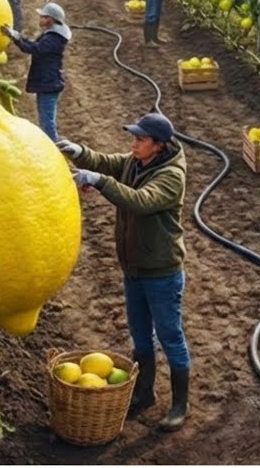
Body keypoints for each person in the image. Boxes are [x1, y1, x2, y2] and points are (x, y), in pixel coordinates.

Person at [57, 113, 191, 432]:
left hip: (161, 271)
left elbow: (140, 201)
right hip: (133, 268)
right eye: (133, 137)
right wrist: (79, 152)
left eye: (140, 139)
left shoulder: (171, 175)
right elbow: (109, 161)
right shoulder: (135, 161)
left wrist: (99, 181)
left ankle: (179, 405)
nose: (133, 143)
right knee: (140, 334)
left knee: (170, 336)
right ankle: (144, 393)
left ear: (158, 146)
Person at [0, 3, 70, 141]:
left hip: (49, 83)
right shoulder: (53, 35)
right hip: (47, 82)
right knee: (46, 119)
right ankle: (53, 142)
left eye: (43, 17)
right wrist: (17, 36)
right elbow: (34, 45)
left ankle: (54, 148)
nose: (40, 19)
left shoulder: (54, 39)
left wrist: (16, 37)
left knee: (47, 122)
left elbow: (33, 48)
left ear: (51, 19)